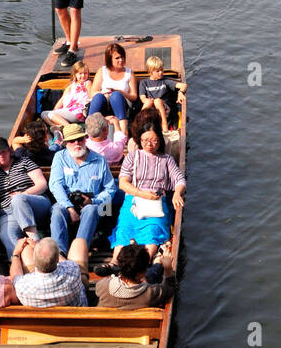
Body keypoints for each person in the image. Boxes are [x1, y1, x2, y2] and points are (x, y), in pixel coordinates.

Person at [110, 117, 186, 260]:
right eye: (145, 140)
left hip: (156, 203)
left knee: (152, 233)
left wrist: (177, 193)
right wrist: (142, 194)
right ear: (140, 140)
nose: (149, 144)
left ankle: (143, 261)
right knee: (124, 231)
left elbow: (180, 179)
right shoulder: (132, 157)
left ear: (160, 140)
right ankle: (115, 262)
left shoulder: (166, 159)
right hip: (134, 200)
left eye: (154, 141)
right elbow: (123, 183)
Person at [48, 121, 117, 252]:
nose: (77, 143)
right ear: (65, 143)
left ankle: (79, 251)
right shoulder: (59, 157)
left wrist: (94, 200)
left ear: (85, 139)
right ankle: (60, 253)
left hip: (94, 201)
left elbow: (110, 188)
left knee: (91, 209)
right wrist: (69, 207)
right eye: (72, 141)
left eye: (80, 139)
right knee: (57, 211)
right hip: (66, 200)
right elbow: (55, 184)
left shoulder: (99, 160)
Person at [0, 136, 52, 263]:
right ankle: (24, 266)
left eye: (3, 151)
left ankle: (36, 241)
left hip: (35, 202)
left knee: (18, 200)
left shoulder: (24, 161)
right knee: (7, 236)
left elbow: (42, 184)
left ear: (9, 151)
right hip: (8, 213)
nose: (1, 155)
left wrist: (23, 194)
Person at [12, 236, 89, 307]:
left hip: (41, 318)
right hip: (75, 316)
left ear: (34, 260)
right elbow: (66, 263)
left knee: (26, 249)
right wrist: (38, 246)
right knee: (79, 242)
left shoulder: (22, 287)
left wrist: (16, 253)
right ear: (57, 260)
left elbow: (15, 276)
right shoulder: (73, 270)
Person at [95, 241, 176, 309]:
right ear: (143, 272)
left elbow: (98, 289)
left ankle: (157, 262)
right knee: (152, 275)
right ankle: (157, 260)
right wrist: (168, 268)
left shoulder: (103, 286)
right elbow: (170, 288)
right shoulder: (151, 294)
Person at [89, 41, 137, 135]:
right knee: (98, 97)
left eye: (122, 57)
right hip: (105, 101)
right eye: (117, 58)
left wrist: (121, 92)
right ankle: (89, 132)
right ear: (110, 59)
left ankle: (124, 132)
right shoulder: (102, 71)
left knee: (116, 95)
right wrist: (105, 94)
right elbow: (93, 92)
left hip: (122, 103)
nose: (121, 60)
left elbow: (134, 96)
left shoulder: (129, 73)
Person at [137, 55, 186, 132]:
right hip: (152, 109)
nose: (161, 72)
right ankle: (139, 124)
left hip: (165, 109)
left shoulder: (165, 81)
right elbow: (142, 97)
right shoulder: (144, 83)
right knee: (148, 102)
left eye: (162, 70)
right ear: (150, 72)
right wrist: (147, 101)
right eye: (158, 71)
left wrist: (180, 93)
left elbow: (183, 85)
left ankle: (164, 125)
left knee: (157, 101)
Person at [42, 59, 92, 133]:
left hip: (77, 112)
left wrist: (53, 114)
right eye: (80, 73)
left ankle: (71, 128)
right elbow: (62, 100)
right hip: (66, 111)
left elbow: (91, 95)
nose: (83, 76)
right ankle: (56, 127)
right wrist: (55, 110)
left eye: (85, 73)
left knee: (51, 114)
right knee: (43, 114)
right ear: (75, 74)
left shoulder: (87, 83)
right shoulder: (70, 86)